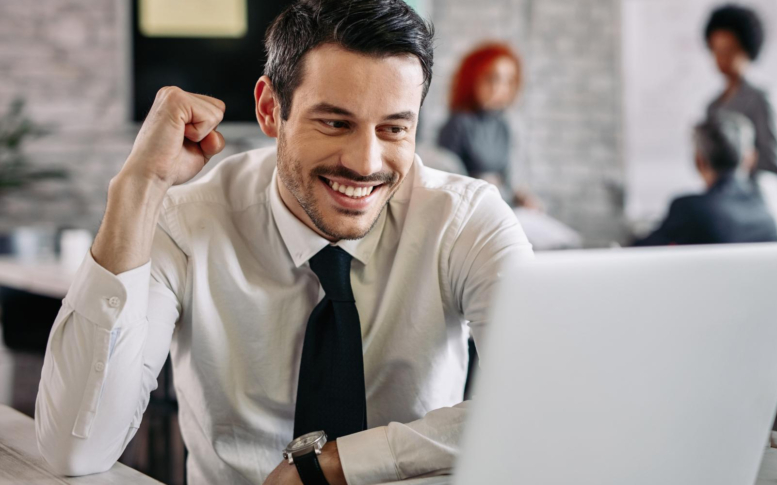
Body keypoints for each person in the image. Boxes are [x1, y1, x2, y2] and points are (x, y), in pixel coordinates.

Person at [33, 2, 533, 485]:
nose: (365, 162)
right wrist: (136, 189)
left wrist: (336, 466)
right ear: (271, 109)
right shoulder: (186, 224)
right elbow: (76, 450)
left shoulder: (469, 221)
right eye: (335, 123)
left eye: (394, 128)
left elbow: (543, 402)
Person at [704, 4, 777, 238]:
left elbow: (774, 162)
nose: (722, 59)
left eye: (729, 50)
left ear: (746, 49)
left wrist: (741, 170)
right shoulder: (713, 106)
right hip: (722, 209)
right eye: (716, 51)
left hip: (756, 208)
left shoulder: (761, 99)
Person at [634, 112, 777, 246]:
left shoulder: (689, 209)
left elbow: (637, 254)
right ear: (750, 159)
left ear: (699, 161)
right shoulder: (768, 211)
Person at [437, 43, 541, 210]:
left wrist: (522, 197)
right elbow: (443, 180)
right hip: (469, 210)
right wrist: (480, 182)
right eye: (492, 78)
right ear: (473, 78)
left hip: (503, 207)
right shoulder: (458, 124)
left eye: (508, 81)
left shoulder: (505, 125)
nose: (499, 88)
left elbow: (510, 177)